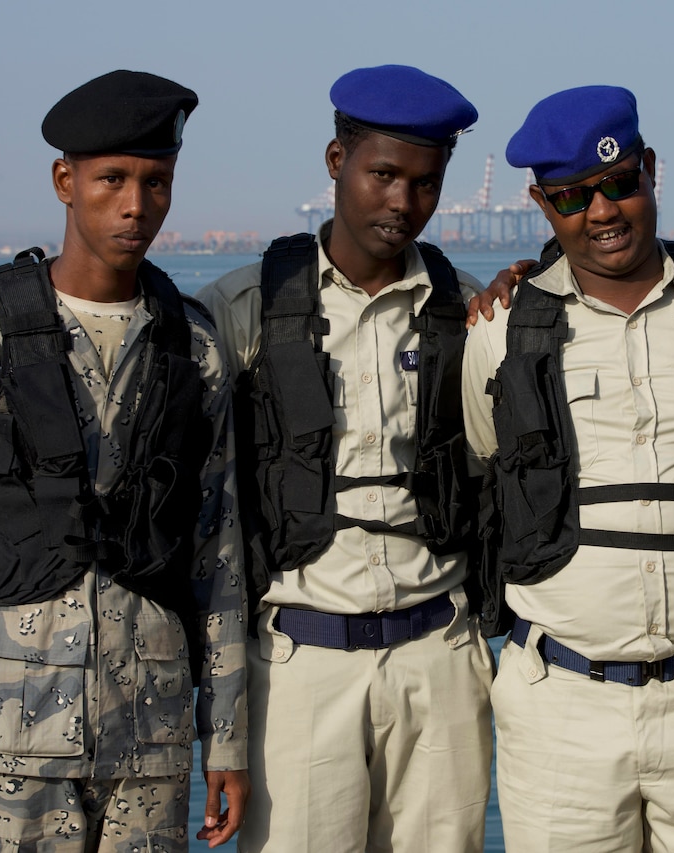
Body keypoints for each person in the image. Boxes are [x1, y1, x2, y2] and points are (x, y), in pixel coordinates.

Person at [0, 70, 249, 853]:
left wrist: (229, 739)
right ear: (65, 181)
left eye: (156, 182)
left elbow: (220, 553)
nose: (136, 205)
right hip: (5, 741)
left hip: (152, 740)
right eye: (112, 179)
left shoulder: (196, 349)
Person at [462, 85, 674, 852]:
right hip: (559, 710)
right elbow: (483, 466)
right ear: (542, 206)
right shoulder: (500, 332)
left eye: (618, 182)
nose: (601, 211)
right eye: (572, 197)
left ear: (649, 171)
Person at [196, 65, 494, 853]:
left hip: (440, 660)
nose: (403, 202)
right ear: (337, 163)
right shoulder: (246, 309)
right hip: (299, 666)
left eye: (425, 183)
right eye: (384, 175)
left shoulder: (468, 310)